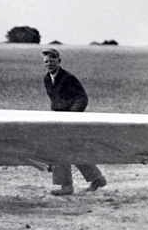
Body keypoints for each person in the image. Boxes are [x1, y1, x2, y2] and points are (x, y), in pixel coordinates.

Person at [42, 47, 107, 196]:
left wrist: (72, 116)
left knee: (61, 150)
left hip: (70, 119)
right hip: (59, 120)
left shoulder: (68, 78)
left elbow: (82, 98)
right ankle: (97, 178)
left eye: (52, 61)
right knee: (73, 150)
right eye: (46, 62)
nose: (49, 64)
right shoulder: (47, 79)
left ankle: (66, 186)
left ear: (59, 61)